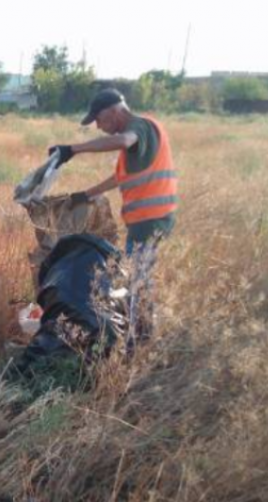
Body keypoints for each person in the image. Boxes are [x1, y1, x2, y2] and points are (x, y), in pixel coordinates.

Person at [48, 88, 179, 342]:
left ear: (114, 112)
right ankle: (140, 335)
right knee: (138, 279)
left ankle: (139, 341)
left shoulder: (139, 127)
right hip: (151, 220)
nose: (98, 126)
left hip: (148, 221)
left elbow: (123, 141)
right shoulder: (143, 132)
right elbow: (121, 177)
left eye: (98, 119)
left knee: (137, 283)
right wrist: (87, 194)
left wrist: (73, 150)